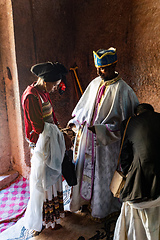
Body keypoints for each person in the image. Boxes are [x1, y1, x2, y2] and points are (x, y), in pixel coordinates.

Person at [67, 47, 139, 220]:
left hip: (107, 147)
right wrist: (76, 123)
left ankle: (103, 207)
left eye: (104, 68)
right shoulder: (94, 83)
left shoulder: (124, 91)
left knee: (102, 176)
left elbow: (126, 124)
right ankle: (86, 202)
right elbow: (82, 109)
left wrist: (100, 130)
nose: (100, 72)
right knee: (83, 170)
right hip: (87, 140)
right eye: (98, 68)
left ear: (114, 65)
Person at [21, 61, 71, 232]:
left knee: (54, 178)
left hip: (50, 142)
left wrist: (61, 130)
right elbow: (39, 127)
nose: (55, 88)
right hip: (41, 145)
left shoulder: (43, 92)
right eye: (55, 85)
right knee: (45, 182)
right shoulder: (31, 96)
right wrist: (58, 133)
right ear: (46, 81)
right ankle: (47, 221)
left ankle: (56, 214)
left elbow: (52, 118)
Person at [114, 103, 160, 240]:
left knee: (131, 194)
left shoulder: (128, 123)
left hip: (141, 182)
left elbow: (125, 156)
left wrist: (129, 175)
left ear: (137, 114)